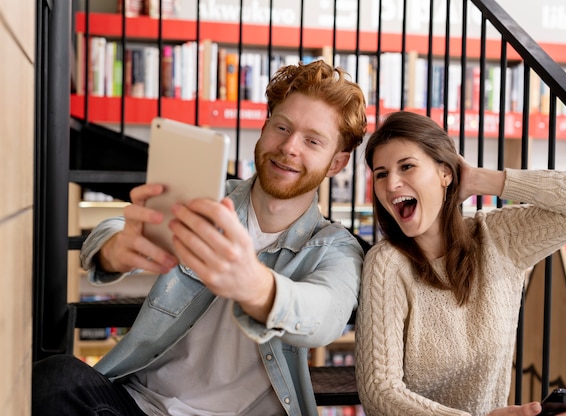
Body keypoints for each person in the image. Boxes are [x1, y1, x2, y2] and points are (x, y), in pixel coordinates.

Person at [32, 59, 368, 416]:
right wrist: (114, 251)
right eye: (282, 127)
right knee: (55, 379)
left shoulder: (336, 248)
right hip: (142, 407)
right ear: (265, 126)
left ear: (336, 164)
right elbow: (113, 228)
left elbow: (325, 315)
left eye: (312, 141)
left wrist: (255, 286)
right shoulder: (206, 196)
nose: (289, 148)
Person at [354, 111, 566, 416]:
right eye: (381, 173)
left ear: (445, 174)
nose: (391, 183)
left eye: (406, 166)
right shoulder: (386, 265)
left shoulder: (497, 238)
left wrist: (482, 179)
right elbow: (379, 392)